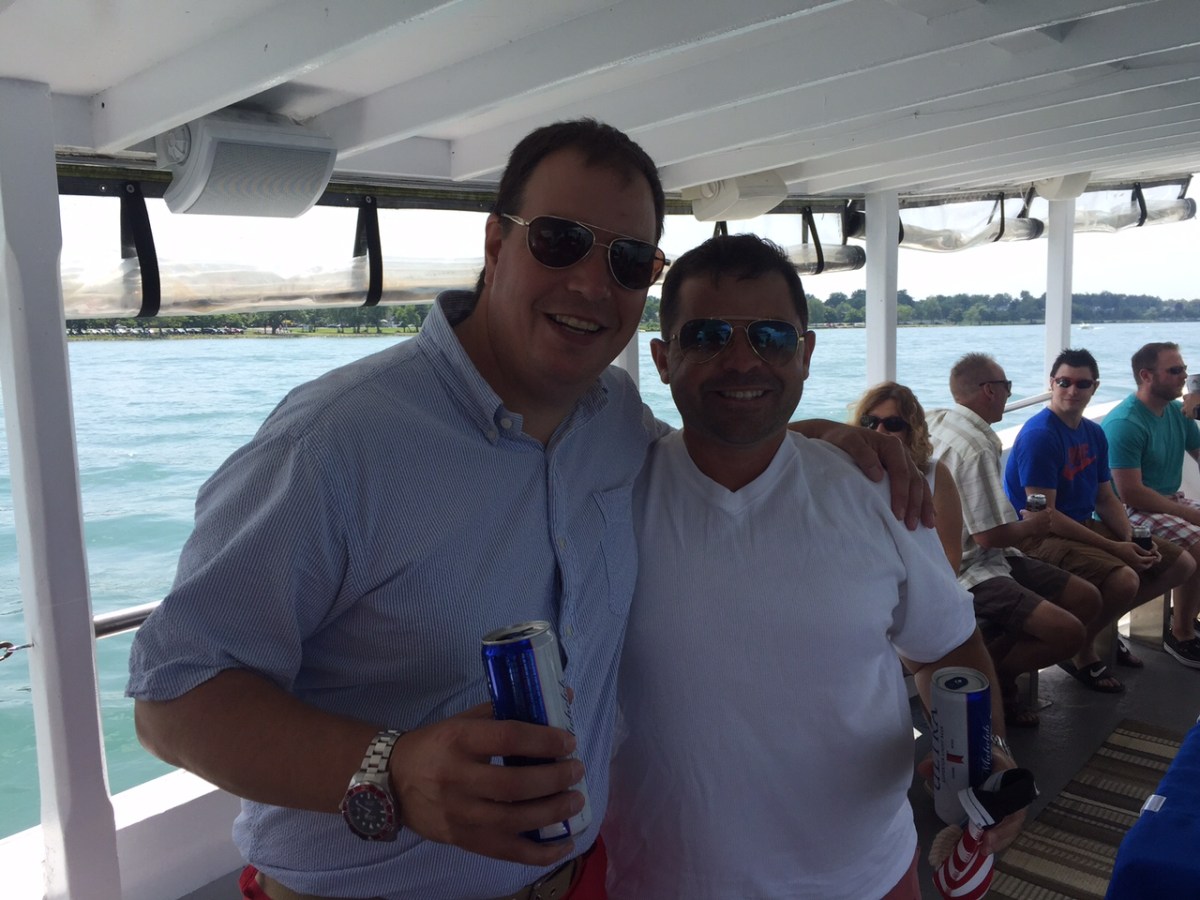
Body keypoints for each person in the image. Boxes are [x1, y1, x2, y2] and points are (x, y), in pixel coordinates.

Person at [126, 119, 927, 900]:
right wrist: (392, 767)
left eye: (626, 261)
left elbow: (712, 444)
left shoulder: (612, 416)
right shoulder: (334, 443)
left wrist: (814, 438)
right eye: (559, 241)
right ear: (496, 245)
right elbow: (175, 698)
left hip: (580, 876)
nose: (591, 282)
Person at [604, 234, 1023, 900]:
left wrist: (985, 757)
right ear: (662, 358)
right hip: (664, 879)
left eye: (770, 336)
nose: (742, 360)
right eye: (709, 335)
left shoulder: (880, 493)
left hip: (867, 877)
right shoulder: (610, 501)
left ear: (804, 354)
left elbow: (946, 649)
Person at [1003, 348, 1194, 693]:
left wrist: (1130, 538)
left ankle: (1088, 632)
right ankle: (1082, 650)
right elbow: (1046, 516)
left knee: (1179, 563)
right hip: (1037, 535)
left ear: (1095, 387)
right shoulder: (1040, 436)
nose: (1072, 391)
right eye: (1064, 382)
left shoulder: (1092, 433)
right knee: (1123, 580)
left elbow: (1106, 497)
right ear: (1052, 383)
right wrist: (1116, 549)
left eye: (1082, 384)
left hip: (1079, 524)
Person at [927, 354, 1100, 728]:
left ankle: (995, 672)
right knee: (1067, 632)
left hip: (996, 555)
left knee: (1086, 598)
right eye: (1007, 388)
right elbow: (988, 535)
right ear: (990, 391)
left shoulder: (937, 420)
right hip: (967, 567)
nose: (1008, 395)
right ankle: (990, 678)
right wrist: (1034, 527)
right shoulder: (974, 446)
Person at [1101, 341, 1200, 667]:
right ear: (1146, 376)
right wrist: (1190, 515)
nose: (1183, 377)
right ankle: (1181, 633)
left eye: (1184, 369)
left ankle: (1187, 612)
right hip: (1129, 511)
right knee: (1198, 543)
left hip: (1167, 500)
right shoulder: (1126, 423)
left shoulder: (1177, 412)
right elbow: (1131, 493)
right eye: (1174, 371)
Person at [854, 382, 964, 572]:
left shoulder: (934, 474)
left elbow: (950, 554)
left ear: (911, 431)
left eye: (893, 424)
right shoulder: (848, 472)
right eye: (869, 422)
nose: (879, 431)